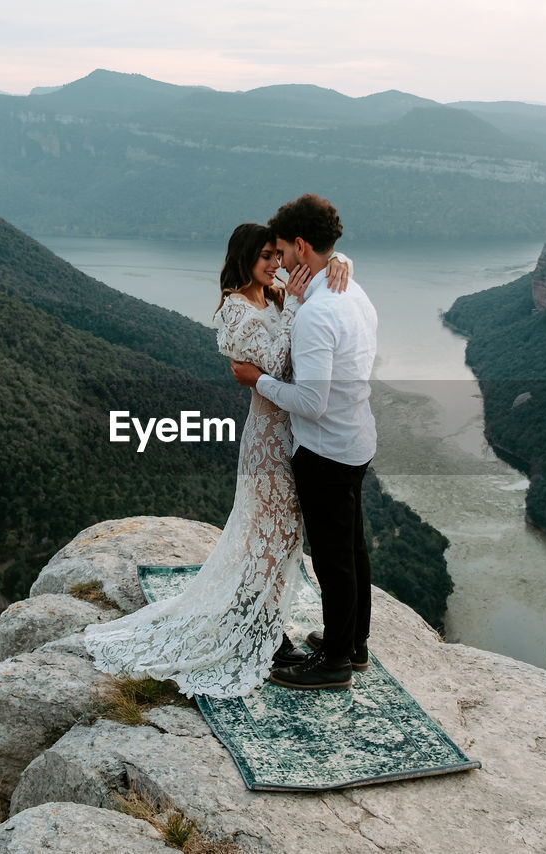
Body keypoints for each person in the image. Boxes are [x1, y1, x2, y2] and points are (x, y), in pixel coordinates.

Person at [82, 222, 348, 698]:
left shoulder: (276, 297)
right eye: (266, 256)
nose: (275, 264)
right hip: (268, 435)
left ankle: (264, 621)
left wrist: (340, 264)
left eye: (277, 255)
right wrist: (300, 308)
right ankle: (264, 631)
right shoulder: (234, 308)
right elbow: (274, 362)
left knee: (283, 536)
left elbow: (295, 350)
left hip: (294, 431)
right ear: (245, 257)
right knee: (273, 534)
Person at [232, 194, 378, 691]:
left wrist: (257, 381)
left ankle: (334, 662)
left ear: (300, 246)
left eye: (282, 252)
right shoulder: (353, 292)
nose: (279, 262)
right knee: (353, 547)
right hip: (357, 438)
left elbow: (311, 401)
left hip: (326, 450)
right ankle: (353, 642)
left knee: (335, 558)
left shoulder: (317, 314)